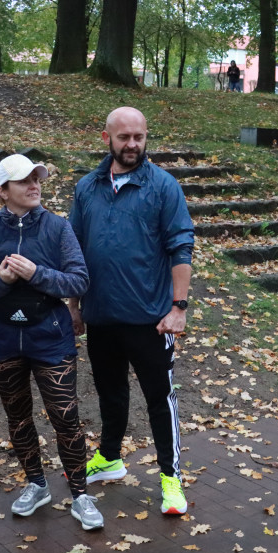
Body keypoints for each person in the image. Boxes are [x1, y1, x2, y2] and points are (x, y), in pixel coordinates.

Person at [0, 154, 103, 531]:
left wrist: (38, 274)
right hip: (3, 342)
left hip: (51, 339)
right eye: (24, 180)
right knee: (18, 418)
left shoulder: (58, 228)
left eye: (37, 178)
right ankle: (37, 485)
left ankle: (80, 495)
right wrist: (1, 281)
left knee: (66, 418)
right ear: (2, 191)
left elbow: (79, 281)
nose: (34, 185)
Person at [68, 106, 195, 516]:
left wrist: (179, 308)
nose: (132, 145)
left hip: (151, 321)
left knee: (160, 399)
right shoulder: (87, 187)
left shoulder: (162, 186)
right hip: (102, 317)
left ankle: (171, 479)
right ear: (106, 138)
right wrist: (75, 306)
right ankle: (110, 459)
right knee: (110, 393)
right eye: (124, 137)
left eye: (139, 136)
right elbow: (75, 251)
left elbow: (181, 247)